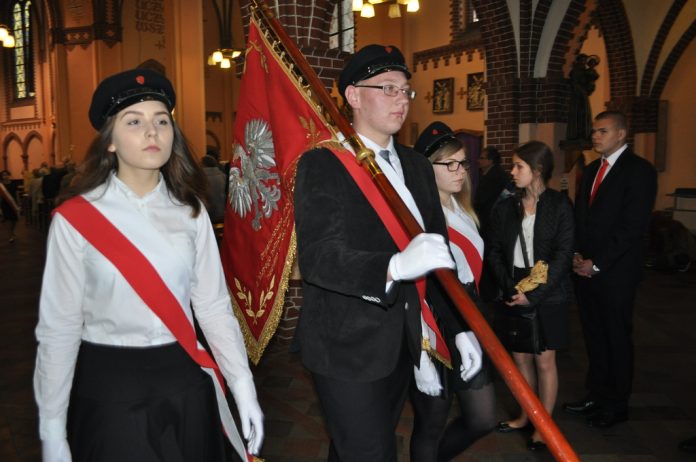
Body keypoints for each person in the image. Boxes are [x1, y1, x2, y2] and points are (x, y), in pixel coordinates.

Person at [33, 68, 263, 462]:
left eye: (161, 121)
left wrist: (243, 385)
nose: (152, 132)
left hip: (185, 378)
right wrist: (51, 429)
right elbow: (59, 328)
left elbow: (212, 306)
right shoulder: (76, 221)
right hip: (111, 386)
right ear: (109, 142)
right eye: (134, 122)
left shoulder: (191, 212)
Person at [293, 44, 482, 462]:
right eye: (388, 88)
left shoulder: (416, 165)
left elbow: (439, 256)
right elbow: (319, 258)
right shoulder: (323, 164)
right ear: (354, 95)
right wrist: (394, 266)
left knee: (355, 448)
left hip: (403, 339)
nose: (402, 100)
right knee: (372, 452)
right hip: (345, 346)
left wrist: (458, 328)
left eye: (406, 91)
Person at [564, 110, 657, 428]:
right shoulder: (591, 171)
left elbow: (632, 227)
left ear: (621, 134)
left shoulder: (639, 171)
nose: (595, 136)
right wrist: (577, 254)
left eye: (602, 131)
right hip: (586, 268)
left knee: (616, 336)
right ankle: (596, 394)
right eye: (594, 131)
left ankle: (617, 404)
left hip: (616, 273)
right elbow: (581, 217)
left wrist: (598, 263)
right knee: (593, 335)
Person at [409, 122, 495, 461]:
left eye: (463, 162)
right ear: (427, 169)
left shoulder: (464, 210)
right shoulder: (418, 216)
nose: (460, 171)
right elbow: (422, 282)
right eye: (450, 164)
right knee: (430, 422)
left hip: (468, 319)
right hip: (433, 325)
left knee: (483, 417)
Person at [487, 141, 574, 451]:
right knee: (519, 356)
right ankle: (526, 413)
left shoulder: (560, 206)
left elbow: (563, 257)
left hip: (549, 292)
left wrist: (533, 295)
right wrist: (510, 287)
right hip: (513, 285)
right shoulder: (506, 206)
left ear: (537, 171)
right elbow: (495, 249)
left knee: (544, 360)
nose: (512, 171)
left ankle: (544, 423)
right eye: (513, 165)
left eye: (519, 166)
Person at [201, 154, 227, 224]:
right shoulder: (222, 176)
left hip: (207, 213)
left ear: (203, 164)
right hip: (221, 212)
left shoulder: (200, 177)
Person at [1, 170, 20, 243]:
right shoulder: (1, 186)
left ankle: (12, 231)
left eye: (6, 175)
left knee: (14, 220)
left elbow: (17, 194)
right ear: (2, 177)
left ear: (9, 175)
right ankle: (10, 235)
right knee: (8, 220)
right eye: (3, 175)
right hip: (5, 204)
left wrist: (19, 203)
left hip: (13, 203)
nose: (5, 176)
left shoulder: (14, 183)